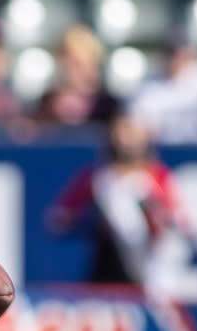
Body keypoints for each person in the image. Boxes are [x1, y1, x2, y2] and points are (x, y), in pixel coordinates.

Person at [47, 113, 187, 285]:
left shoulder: (158, 177)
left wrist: (156, 215)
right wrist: (90, 220)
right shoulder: (97, 178)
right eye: (122, 132)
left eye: (133, 133)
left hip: (151, 266)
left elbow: (184, 219)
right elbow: (58, 219)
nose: (126, 141)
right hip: (108, 266)